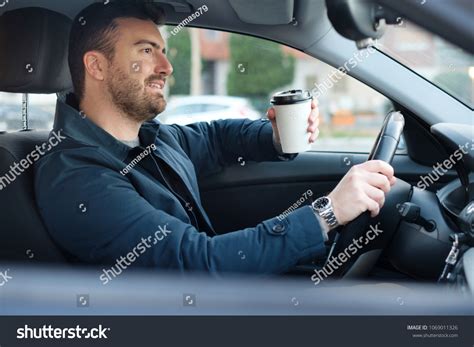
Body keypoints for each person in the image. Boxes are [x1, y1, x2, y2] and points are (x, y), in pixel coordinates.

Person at [34, 2, 396, 274]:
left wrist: (274, 136)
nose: (167, 67)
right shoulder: (77, 178)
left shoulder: (147, 140)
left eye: (163, 51)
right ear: (96, 66)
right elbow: (199, 263)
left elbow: (216, 138)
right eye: (146, 51)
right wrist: (328, 213)